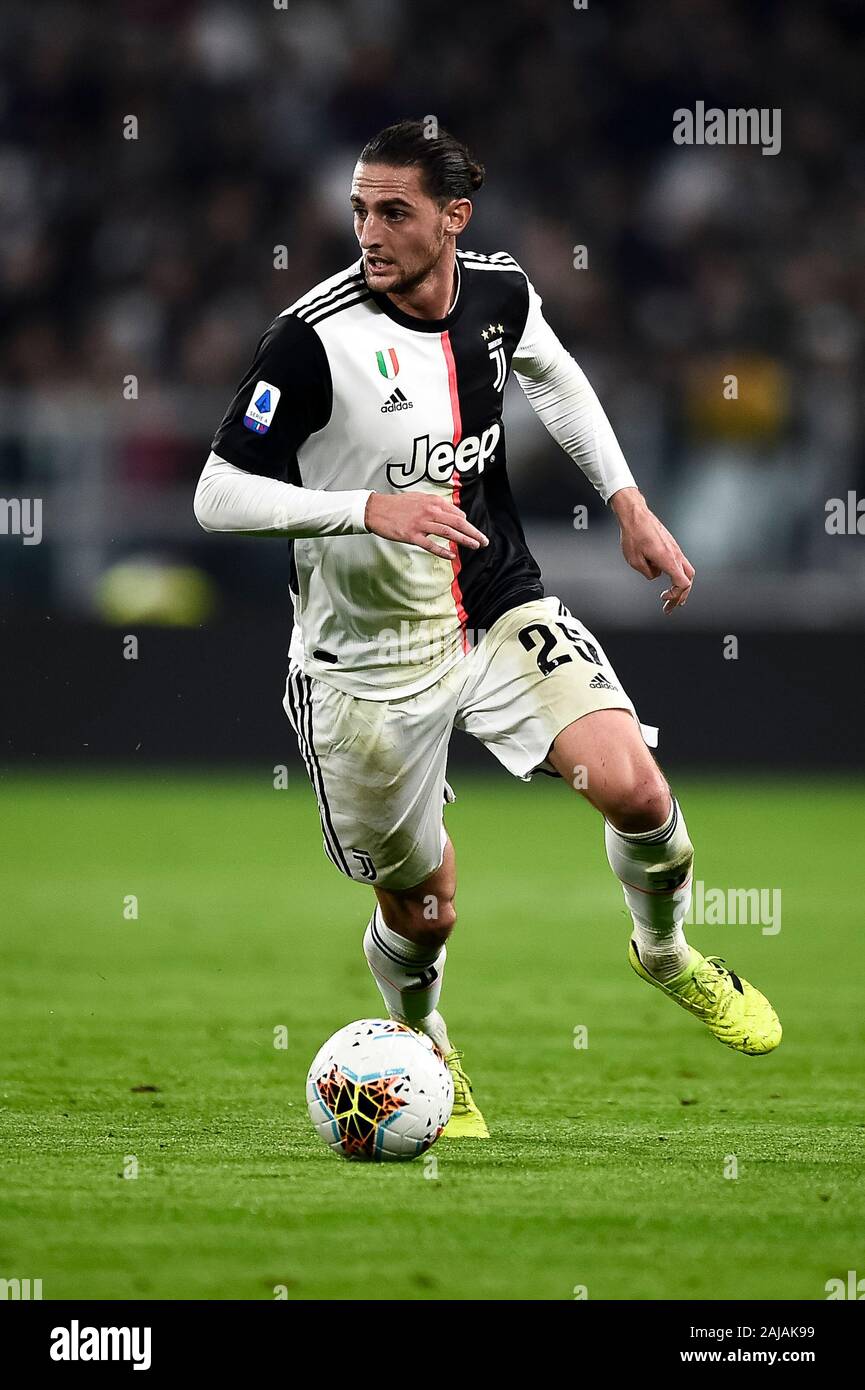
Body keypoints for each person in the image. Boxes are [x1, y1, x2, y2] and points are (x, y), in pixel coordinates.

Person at [194, 119, 781, 1140]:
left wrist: (627, 498)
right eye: (359, 211)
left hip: (494, 599)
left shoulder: (500, 293)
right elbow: (215, 492)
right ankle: (427, 1048)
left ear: (452, 219)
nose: (369, 232)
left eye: (394, 211)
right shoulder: (312, 337)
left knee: (635, 789)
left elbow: (550, 371)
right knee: (427, 911)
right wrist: (363, 508)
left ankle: (666, 951)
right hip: (363, 658)